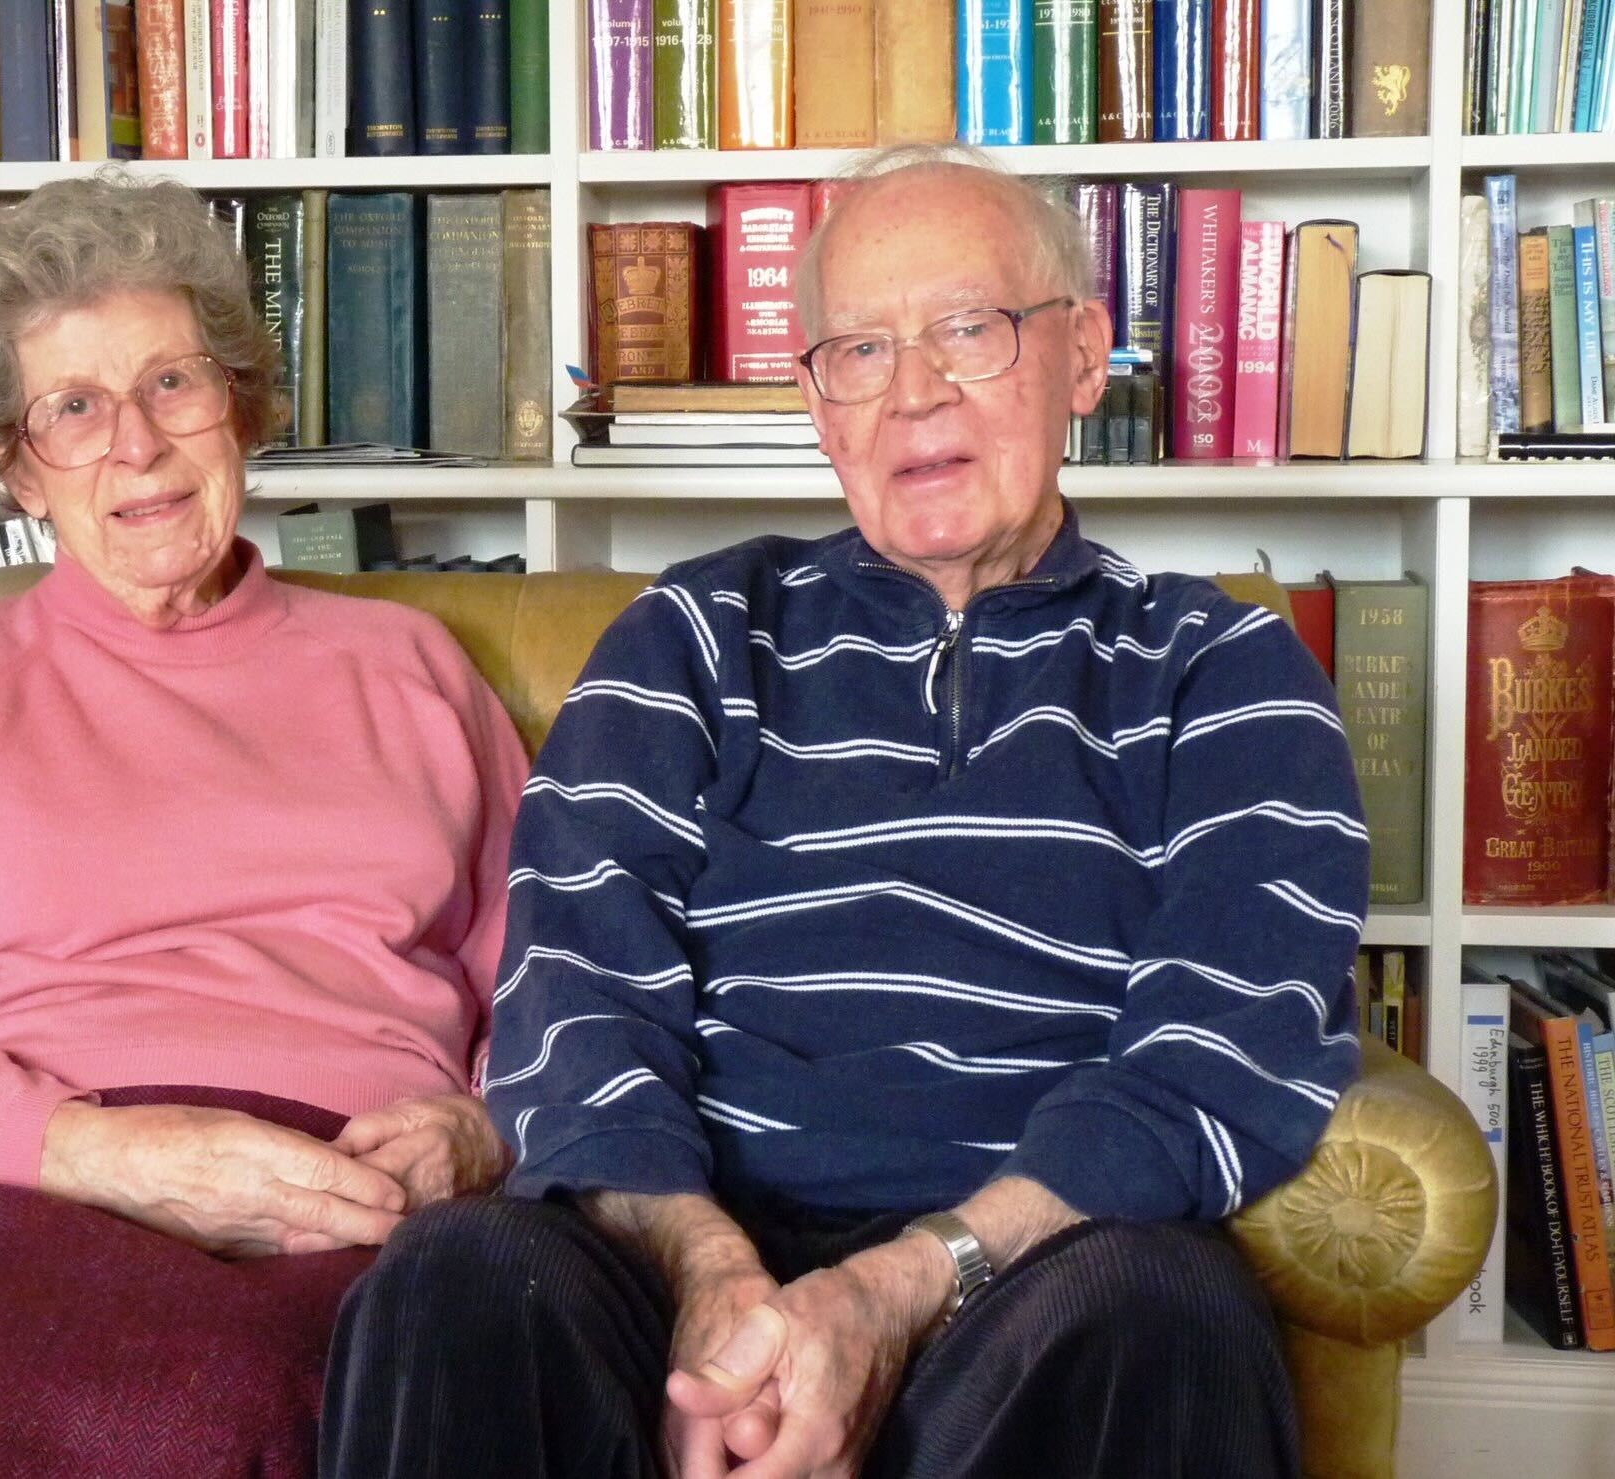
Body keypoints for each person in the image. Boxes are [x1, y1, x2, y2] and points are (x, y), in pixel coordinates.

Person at [322, 144, 1367, 1479]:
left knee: (1164, 1311)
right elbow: (574, 1000)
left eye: (966, 332)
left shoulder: (1224, 674)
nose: (912, 392)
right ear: (819, 408)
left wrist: (902, 1287)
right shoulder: (690, 640)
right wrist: (712, 1280)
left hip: (1032, 1258)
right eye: (859, 352)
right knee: (455, 1277)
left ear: (1084, 355)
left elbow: (1223, 1052)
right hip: (693, 1241)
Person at [0, 171, 525, 1479]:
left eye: (174, 385)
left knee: (241, 1413)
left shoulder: (411, 669)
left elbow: (563, 997)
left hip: (352, 1198)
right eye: (74, 410)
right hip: (29, 1189)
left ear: (242, 408)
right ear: (15, 468)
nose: (137, 445)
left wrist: (481, 1129)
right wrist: (107, 1157)